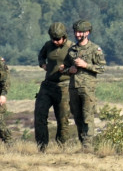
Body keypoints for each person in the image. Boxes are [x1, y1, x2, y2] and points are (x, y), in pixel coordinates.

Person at [65, 19, 105, 148]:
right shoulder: (72, 50)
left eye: (80, 32)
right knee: (77, 117)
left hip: (87, 89)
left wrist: (86, 65)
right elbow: (64, 68)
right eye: (76, 32)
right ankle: (82, 143)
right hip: (73, 88)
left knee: (88, 117)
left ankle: (88, 146)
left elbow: (101, 68)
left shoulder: (95, 49)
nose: (77, 35)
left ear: (87, 33)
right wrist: (69, 70)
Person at [34, 22, 72, 150]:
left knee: (63, 119)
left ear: (64, 36)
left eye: (57, 39)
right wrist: (42, 64)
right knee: (39, 115)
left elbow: (76, 66)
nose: (55, 41)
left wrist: (66, 68)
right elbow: (41, 56)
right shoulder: (48, 45)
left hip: (64, 86)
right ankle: (42, 147)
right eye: (53, 39)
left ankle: (61, 146)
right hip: (47, 85)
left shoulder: (71, 47)